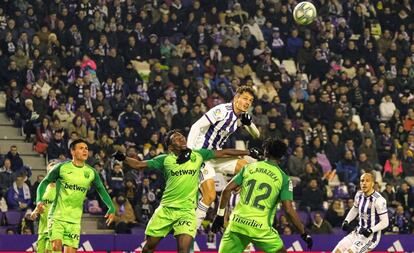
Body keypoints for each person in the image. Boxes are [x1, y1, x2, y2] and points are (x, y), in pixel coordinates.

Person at [113, 129, 259, 253]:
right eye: (176, 138)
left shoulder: (198, 155)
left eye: (181, 136)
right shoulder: (165, 160)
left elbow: (224, 152)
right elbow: (139, 164)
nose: (181, 138)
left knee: (184, 249)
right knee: (149, 247)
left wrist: (247, 152)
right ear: (171, 147)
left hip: (187, 212)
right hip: (166, 210)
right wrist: (123, 158)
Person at [211, 139, 313, 253]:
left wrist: (219, 216)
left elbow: (227, 189)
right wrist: (303, 233)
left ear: (265, 152)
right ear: (282, 157)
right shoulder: (284, 179)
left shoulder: (249, 167)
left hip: (238, 224)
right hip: (260, 228)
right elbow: (288, 210)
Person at [187, 86, 260, 228]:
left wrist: (249, 124)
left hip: (217, 155)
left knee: (246, 168)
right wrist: (190, 153)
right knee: (209, 196)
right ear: (236, 98)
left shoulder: (240, 117)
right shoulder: (221, 110)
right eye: (245, 98)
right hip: (202, 155)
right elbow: (196, 126)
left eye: (250, 100)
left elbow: (256, 135)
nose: (247, 102)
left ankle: (221, 215)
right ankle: (191, 230)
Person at [35, 139, 115, 253]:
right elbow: (44, 183)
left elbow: (101, 189)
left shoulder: (91, 172)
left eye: (86, 148)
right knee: (55, 247)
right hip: (57, 216)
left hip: (75, 219)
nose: (85, 151)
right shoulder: (61, 168)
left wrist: (111, 207)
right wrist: (39, 201)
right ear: (72, 151)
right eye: (81, 148)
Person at [333, 173, 389, 253]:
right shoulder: (359, 194)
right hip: (357, 232)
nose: (364, 183)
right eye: (362, 181)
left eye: (367, 181)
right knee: (336, 251)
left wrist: (371, 230)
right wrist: (347, 220)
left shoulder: (379, 200)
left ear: (372, 183)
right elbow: (355, 209)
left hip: (370, 238)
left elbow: (385, 222)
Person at [30, 161, 59, 253]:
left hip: (55, 227)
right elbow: (41, 204)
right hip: (43, 226)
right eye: (50, 171)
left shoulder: (62, 189)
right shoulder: (43, 187)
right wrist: (35, 212)